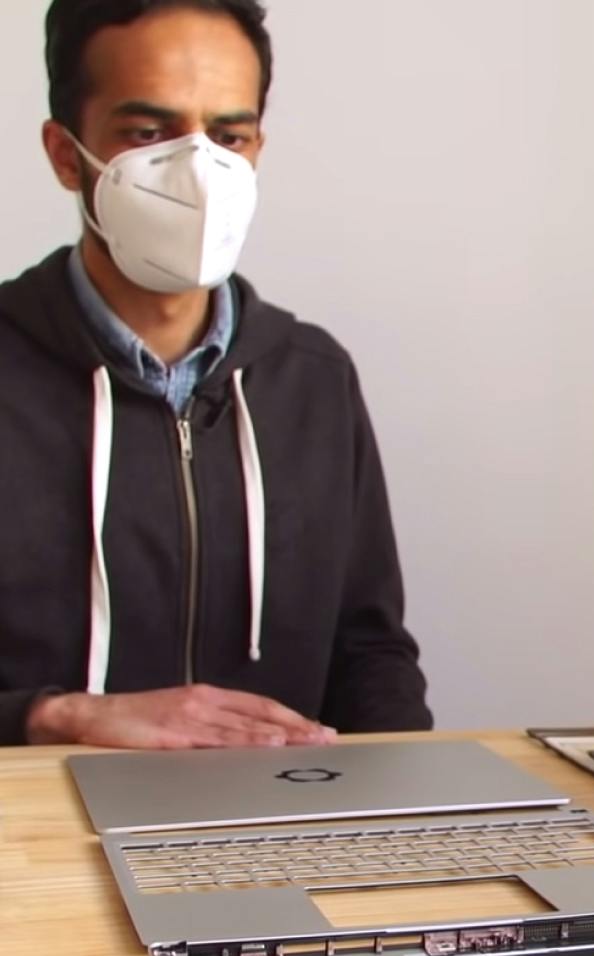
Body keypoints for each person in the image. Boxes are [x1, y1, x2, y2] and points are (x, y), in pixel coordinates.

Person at [0, 0, 431, 749]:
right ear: (67, 154)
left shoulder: (314, 379)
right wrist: (55, 716)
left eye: (228, 135)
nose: (199, 169)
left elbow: (371, 654)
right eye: (148, 133)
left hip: (273, 830)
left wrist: (411, 826)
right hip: (31, 841)